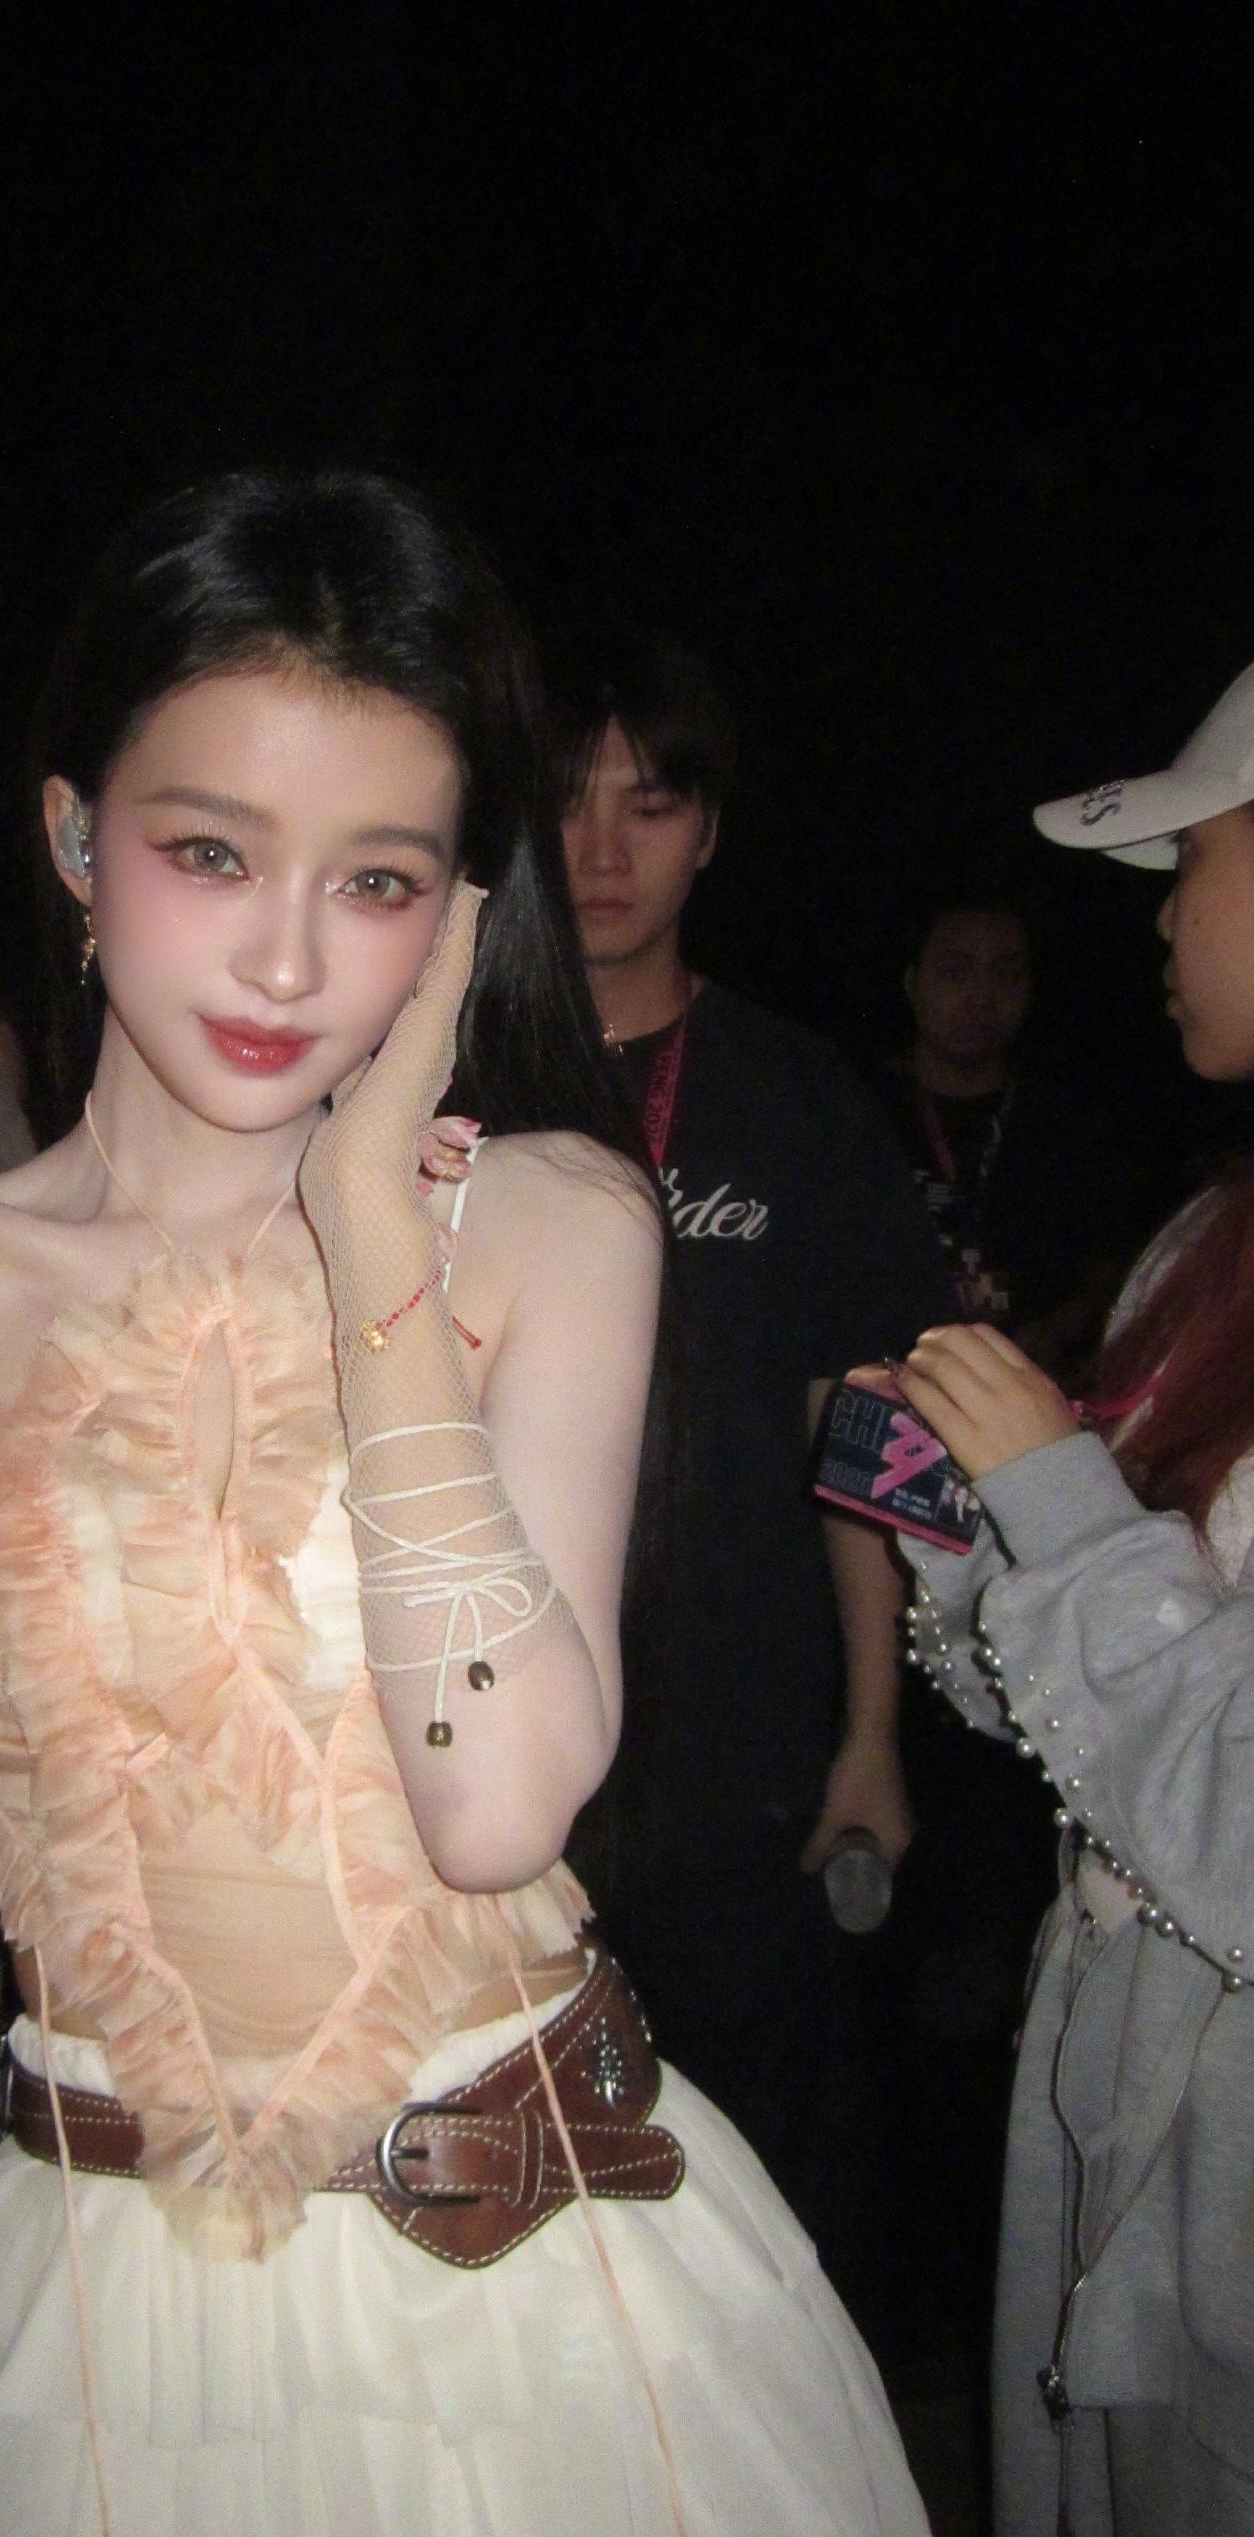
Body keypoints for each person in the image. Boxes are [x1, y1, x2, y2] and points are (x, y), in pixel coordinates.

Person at [0, 473, 957, 2537]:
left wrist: (373, 1234)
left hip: (539, 2275)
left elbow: (495, 1800)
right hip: (100, 2307)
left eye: (375, 880)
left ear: (453, 909)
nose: (291, 960)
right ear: (71, 837)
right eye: (211, 851)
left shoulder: (545, 1216)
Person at [900, 654, 1254, 2537]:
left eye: (1195, 858)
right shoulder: (1209, 1245)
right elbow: (1084, 1709)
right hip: (1123, 2101)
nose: (1162, 914)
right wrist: (953, 1518)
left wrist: (1051, 1499)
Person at [553, 634, 954, 2317]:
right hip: (501, 1767)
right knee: (535, 2227)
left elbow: (865, 1424)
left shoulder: (796, 1095)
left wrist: (875, 1726)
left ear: (710, 830)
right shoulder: (441, 1086)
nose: (604, 847)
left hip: (753, 1762)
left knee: (766, 2226)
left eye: (651, 803)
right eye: (568, 802)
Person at [875, 894, 1134, 1377]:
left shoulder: (1071, 1122)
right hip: (883, 1382)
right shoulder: (856, 1112)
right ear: (912, 981)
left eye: (1007, 974)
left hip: (1031, 1386)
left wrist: (1060, 1330)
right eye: (956, 973)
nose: (981, 997)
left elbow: (1113, 1265)